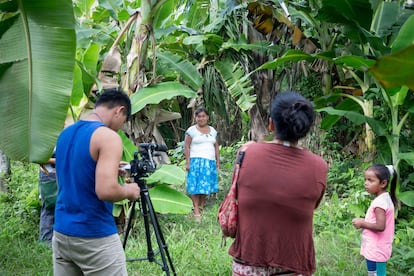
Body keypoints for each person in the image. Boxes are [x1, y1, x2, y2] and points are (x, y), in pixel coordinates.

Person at [227, 92, 328, 276]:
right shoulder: (319, 166)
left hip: (248, 262)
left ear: (271, 123)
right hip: (294, 264)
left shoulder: (246, 153)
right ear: (306, 128)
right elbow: (313, 205)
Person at [53, 88, 141, 275]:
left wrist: (107, 168)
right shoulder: (108, 137)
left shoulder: (66, 133)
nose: (119, 126)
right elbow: (106, 191)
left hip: (62, 232)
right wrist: (130, 190)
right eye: (123, 121)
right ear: (119, 110)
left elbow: (73, 172)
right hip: (94, 234)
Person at [352, 164, 398, 276]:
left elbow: (380, 226)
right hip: (377, 248)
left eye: (370, 180)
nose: (366, 183)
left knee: (378, 274)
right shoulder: (384, 198)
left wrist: (362, 223)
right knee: (373, 273)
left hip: (377, 249)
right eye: (365, 180)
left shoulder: (380, 203)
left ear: (383, 183)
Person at [185, 107, 220, 222]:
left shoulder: (213, 131)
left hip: (209, 162)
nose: (201, 118)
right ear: (195, 118)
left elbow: (216, 147)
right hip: (196, 161)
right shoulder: (191, 131)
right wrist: (188, 162)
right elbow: (187, 147)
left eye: (203, 116)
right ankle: (196, 210)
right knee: (195, 186)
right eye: (199, 116)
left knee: (205, 186)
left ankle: (201, 207)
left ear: (207, 117)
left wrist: (217, 162)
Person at [38, 153, 56, 244]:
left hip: (63, 173)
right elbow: (38, 158)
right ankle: (46, 242)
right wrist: (58, 161)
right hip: (48, 174)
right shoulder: (45, 141)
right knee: (49, 207)